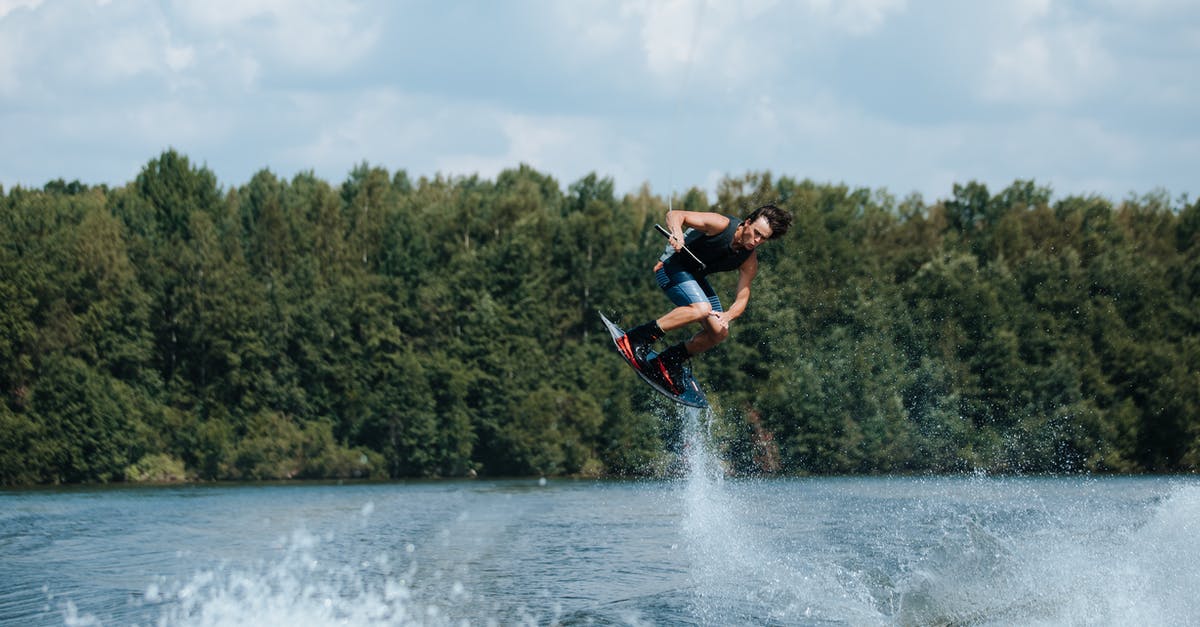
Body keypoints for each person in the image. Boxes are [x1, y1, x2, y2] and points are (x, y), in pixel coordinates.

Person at [617, 203, 793, 394]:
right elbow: (675, 214)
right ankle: (636, 338)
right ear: (748, 222)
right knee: (702, 308)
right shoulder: (721, 224)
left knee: (719, 332)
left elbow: (743, 296)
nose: (756, 240)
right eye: (756, 233)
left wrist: (728, 315)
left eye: (763, 238)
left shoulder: (749, 260)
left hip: (692, 278)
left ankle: (668, 361)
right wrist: (677, 233)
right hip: (670, 269)